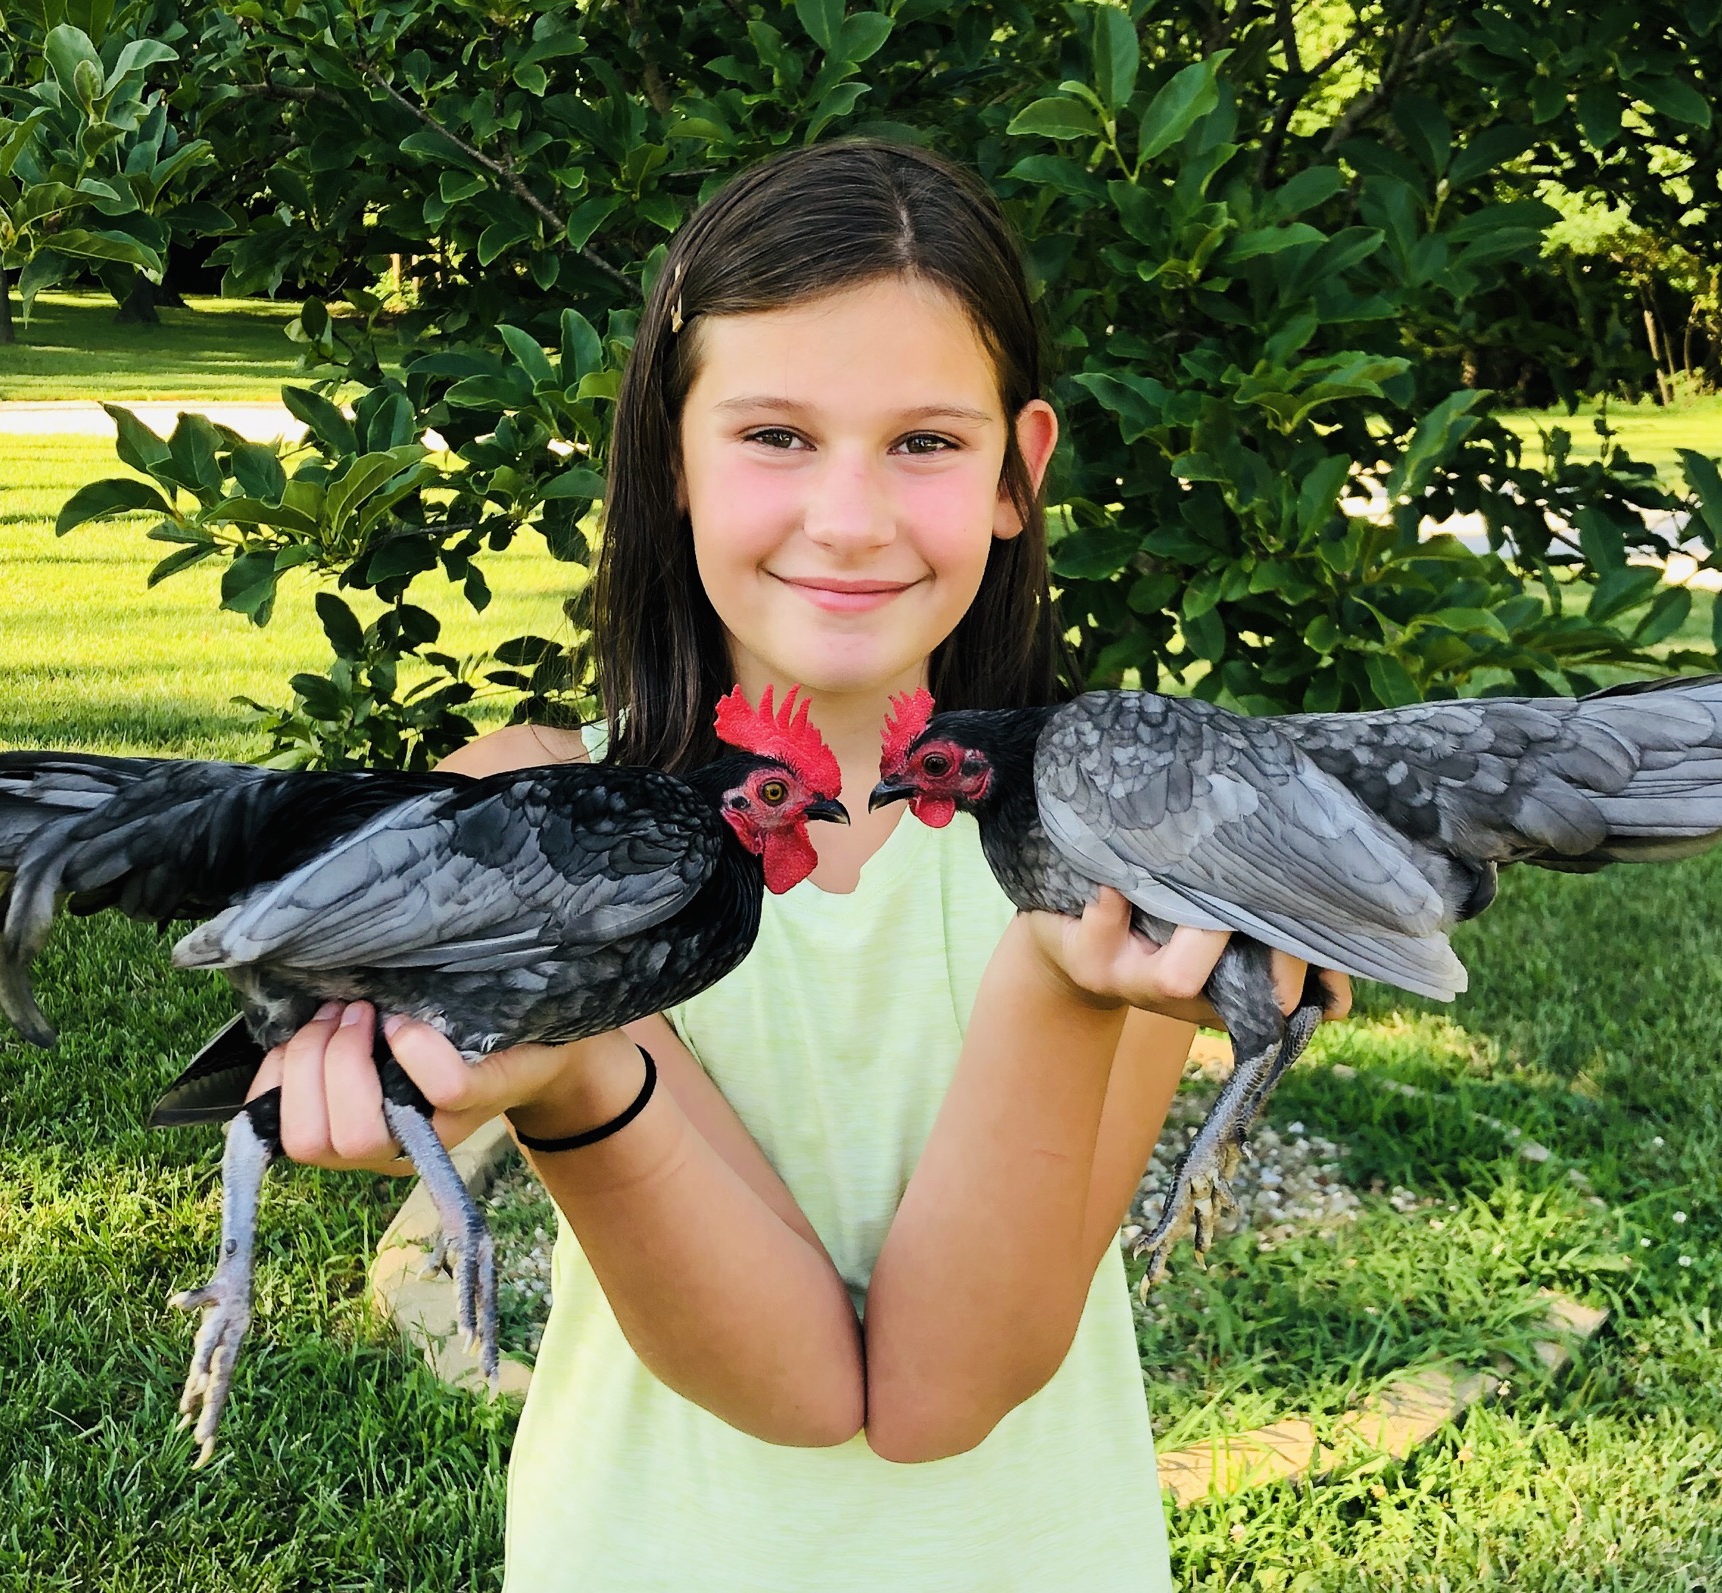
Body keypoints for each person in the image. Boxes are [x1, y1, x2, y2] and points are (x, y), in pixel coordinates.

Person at [243, 141, 1347, 1589]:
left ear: (1021, 473)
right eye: (775, 435)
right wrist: (570, 1069)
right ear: (671, 464)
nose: (849, 517)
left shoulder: (1132, 838)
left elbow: (938, 1393)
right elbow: (794, 1384)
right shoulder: (529, 817)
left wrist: (1068, 981)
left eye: (926, 442)